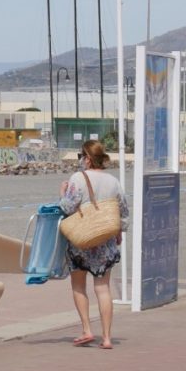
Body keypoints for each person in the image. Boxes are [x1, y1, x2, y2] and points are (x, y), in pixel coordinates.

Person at [59, 139, 130, 350]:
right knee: (103, 289)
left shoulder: (77, 178)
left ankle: (87, 330)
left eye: (81, 156)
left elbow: (67, 207)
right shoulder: (113, 181)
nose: (80, 160)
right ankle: (107, 338)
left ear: (88, 159)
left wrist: (62, 192)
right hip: (105, 241)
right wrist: (119, 231)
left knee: (79, 286)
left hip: (81, 241)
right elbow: (123, 211)